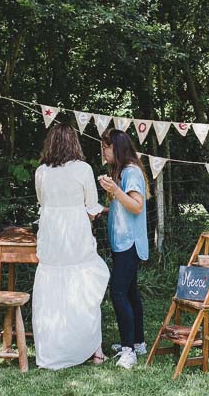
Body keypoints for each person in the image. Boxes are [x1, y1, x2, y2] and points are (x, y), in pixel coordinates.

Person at [32, 124, 111, 369]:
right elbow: (91, 207)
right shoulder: (84, 169)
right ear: (74, 143)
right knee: (84, 289)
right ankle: (94, 350)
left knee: (53, 294)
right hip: (75, 235)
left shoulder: (41, 172)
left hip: (51, 235)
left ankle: (53, 351)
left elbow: (42, 202)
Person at [98, 128, 150, 370]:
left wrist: (114, 191)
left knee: (118, 293)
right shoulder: (122, 172)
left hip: (129, 243)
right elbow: (125, 207)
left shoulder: (131, 172)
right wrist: (105, 209)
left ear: (115, 148)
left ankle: (129, 350)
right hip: (123, 242)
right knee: (130, 294)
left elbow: (137, 206)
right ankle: (137, 342)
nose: (103, 152)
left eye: (105, 147)